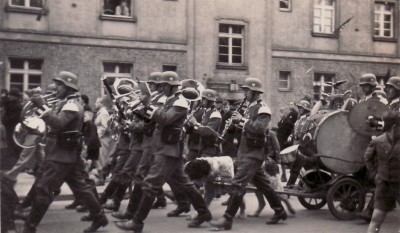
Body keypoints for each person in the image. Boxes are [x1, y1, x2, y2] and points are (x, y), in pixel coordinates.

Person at [115, 71, 212, 232]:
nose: (161, 88)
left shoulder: (180, 102)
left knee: (150, 184)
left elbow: (165, 119)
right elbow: (155, 118)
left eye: (164, 85)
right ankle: (203, 213)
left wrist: (148, 105)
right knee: (185, 184)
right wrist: (143, 108)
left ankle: (137, 222)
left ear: (171, 85)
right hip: (165, 148)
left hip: (168, 150)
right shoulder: (171, 100)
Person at [21, 71, 108, 233]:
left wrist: (42, 105)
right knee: (82, 188)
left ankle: (30, 226)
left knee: (43, 189)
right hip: (66, 154)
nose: (56, 88)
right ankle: (99, 217)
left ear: (68, 87)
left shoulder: (72, 105)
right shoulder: (66, 103)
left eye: (60, 85)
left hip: (60, 155)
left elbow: (58, 123)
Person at [210, 77, 287, 231]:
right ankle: (280, 211)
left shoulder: (263, 109)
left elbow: (259, 128)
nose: (244, 93)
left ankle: (227, 219)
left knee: (238, 183)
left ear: (254, 92)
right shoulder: (249, 108)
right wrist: (233, 125)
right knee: (264, 186)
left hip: (254, 153)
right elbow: (245, 129)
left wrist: (242, 121)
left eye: (247, 91)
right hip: (246, 152)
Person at [364, 111, 400, 233]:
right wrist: (375, 175)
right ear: (394, 126)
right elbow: (367, 158)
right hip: (385, 185)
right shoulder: (378, 141)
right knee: (376, 219)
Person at [186, 88, 222, 157]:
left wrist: (195, 123)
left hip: (207, 150)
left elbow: (207, 132)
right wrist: (189, 124)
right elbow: (193, 130)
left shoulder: (215, 114)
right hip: (196, 147)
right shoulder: (202, 112)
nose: (202, 101)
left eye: (204, 99)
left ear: (210, 101)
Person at [285, 100, 312, 189]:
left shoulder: (309, 120)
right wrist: (291, 135)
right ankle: (293, 184)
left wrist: (304, 140)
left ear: (305, 109)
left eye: (301, 108)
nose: (299, 109)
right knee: (295, 167)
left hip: (302, 147)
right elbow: (295, 130)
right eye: (299, 108)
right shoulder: (299, 119)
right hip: (296, 145)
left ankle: (290, 185)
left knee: (296, 167)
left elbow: (309, 134)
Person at [1, 88, 23, 170]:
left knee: (14, 147)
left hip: (13, 128)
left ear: (16, 97)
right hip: (9, 128)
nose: (9, 97)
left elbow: (14, 118)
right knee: (11, 146)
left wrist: (4, 119)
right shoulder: (10, 104)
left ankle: (15, 165)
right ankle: (13, 164)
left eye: (11, 95)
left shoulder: (17, 106)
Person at [276, 102, 298, 182]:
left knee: (289, 160)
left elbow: (291, 131)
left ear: (284, 114)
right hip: (280, 142)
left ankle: (292, 175)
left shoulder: (287, 122)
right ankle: (284, 175)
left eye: (281, 113)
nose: (280, 114)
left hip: (285, 143)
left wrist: (287, 141)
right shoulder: (282, 121)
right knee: (282, 160)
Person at [94, 96, 112, 186]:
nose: (95, 104)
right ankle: (102, 176)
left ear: (101, 104)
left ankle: (102, 179)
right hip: (100, 137)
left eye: (97, 102)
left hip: (103, 138)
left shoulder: (103, 113)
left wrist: (99, 136)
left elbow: (105, 127)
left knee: (101, 158)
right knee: (100, 158)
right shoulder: (100, 112)